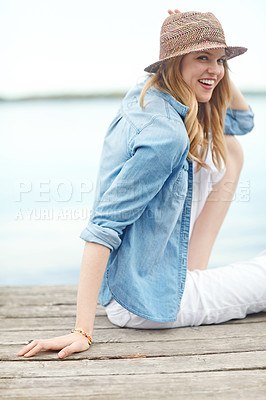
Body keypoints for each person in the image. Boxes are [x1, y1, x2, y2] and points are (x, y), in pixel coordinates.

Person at [18, 9, 266, 359]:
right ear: (174, 62)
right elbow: (103, 226)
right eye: (202, 57)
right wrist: (81, 331)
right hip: (147, 304)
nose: (217, 69)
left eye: (222, 60)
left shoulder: (147, 93)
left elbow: (242, 121)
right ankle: (193, 283)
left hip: (139, 284)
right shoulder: (166, 136)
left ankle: (193, 272)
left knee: (230, 147)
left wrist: (209, 68)